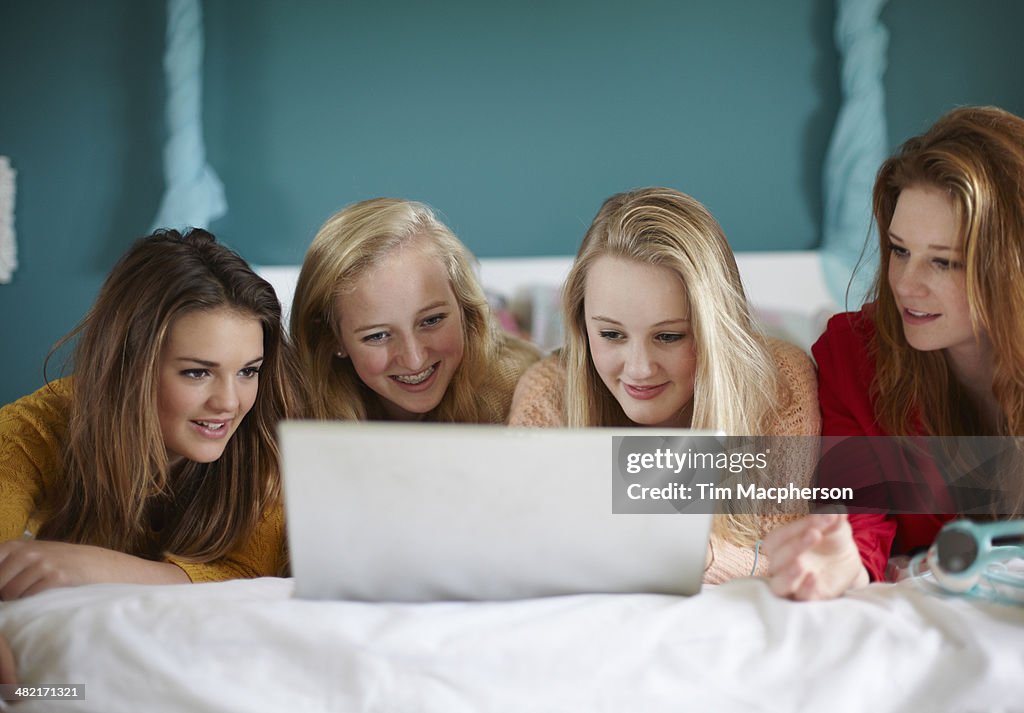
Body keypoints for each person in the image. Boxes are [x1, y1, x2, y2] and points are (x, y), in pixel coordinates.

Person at [763, 105, 1024, 600]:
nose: (904, 284)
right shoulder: (853, 356)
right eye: (900, 250)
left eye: (943, 263)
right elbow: (859, 516)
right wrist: (845, 561)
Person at [508, 187, 821, 583]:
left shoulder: (778, 380)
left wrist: (686, 554)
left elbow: (788, 554)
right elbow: (521, 545)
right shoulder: (550, 391)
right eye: (611, 335)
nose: (639, 369)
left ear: (716, 331)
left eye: (669, 336)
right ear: (581, 323)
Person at [0, 228, 297, 603]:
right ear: (129, 366)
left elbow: (248, 573)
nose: (229, 402)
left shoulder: (268, 437)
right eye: (197, 372)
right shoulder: (32, 430)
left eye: (247, 371)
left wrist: (85, 566)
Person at [290, 197, 539, 423]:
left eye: (431, 320)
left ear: (464, 307)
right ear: (332, 337)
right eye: (377, 336)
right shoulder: (293, 406)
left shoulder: (528, 391)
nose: (415, 359)